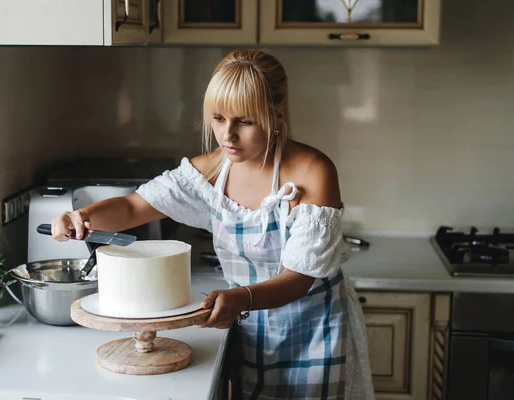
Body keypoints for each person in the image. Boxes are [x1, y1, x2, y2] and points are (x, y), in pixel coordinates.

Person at [51, 49, 375, 399]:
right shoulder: (207, 172)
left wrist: (239, 298)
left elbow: (298, 278)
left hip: (313, 334)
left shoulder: (313, 172)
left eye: (245, 121)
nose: (228, 136)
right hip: (245, 329)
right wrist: (83, 216)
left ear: (277, 113)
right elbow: (132, 208)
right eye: (218, 119)